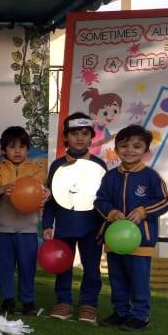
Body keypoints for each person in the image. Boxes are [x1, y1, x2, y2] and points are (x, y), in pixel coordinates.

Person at [95, 125, 168, 332]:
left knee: (139, 280)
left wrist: (143, 211)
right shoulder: (110, 177)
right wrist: (112, 213)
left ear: (145, 150)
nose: (130, 150)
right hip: (114, 240)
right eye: (124, 146)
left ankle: (140, 316)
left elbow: (164, 201)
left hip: (141, 242)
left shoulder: (151, 176)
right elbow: (100, 201)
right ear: (116, 149)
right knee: (117, 278)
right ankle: (121, 312)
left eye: (137, 146)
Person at [42, 112, 108, 324]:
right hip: (65, 223)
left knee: (91, 266)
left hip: (92, 226)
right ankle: (63, 301)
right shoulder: (57, 165)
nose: (79, 138)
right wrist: (47, 223)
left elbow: (104, 199)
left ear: (91, 137)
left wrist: (104, 226)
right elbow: (50, 197)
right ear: (65, 137)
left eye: (85, 133)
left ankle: (89, 304)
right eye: (74, 133)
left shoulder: (99, 165)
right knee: (63, 264)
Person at [0, 126, 48, 316]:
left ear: (27, 149)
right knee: (5, 267)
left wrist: (46, 193)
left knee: (27, 267)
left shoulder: (36, 170)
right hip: (4, 229)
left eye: (21, 147)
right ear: (3, 150)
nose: (17, 151)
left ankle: (28, 301)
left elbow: (43, 190)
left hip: (28, 229)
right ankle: (7, 300)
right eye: (12, 147)